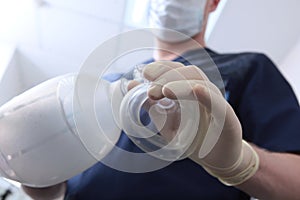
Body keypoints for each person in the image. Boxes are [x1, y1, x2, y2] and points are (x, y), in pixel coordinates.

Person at [22, 0, 300, 199]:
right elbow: (65, 187)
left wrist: (239, 162)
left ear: (213, 3)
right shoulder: (102, 84)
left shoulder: (246, 69)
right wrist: (41, 180)